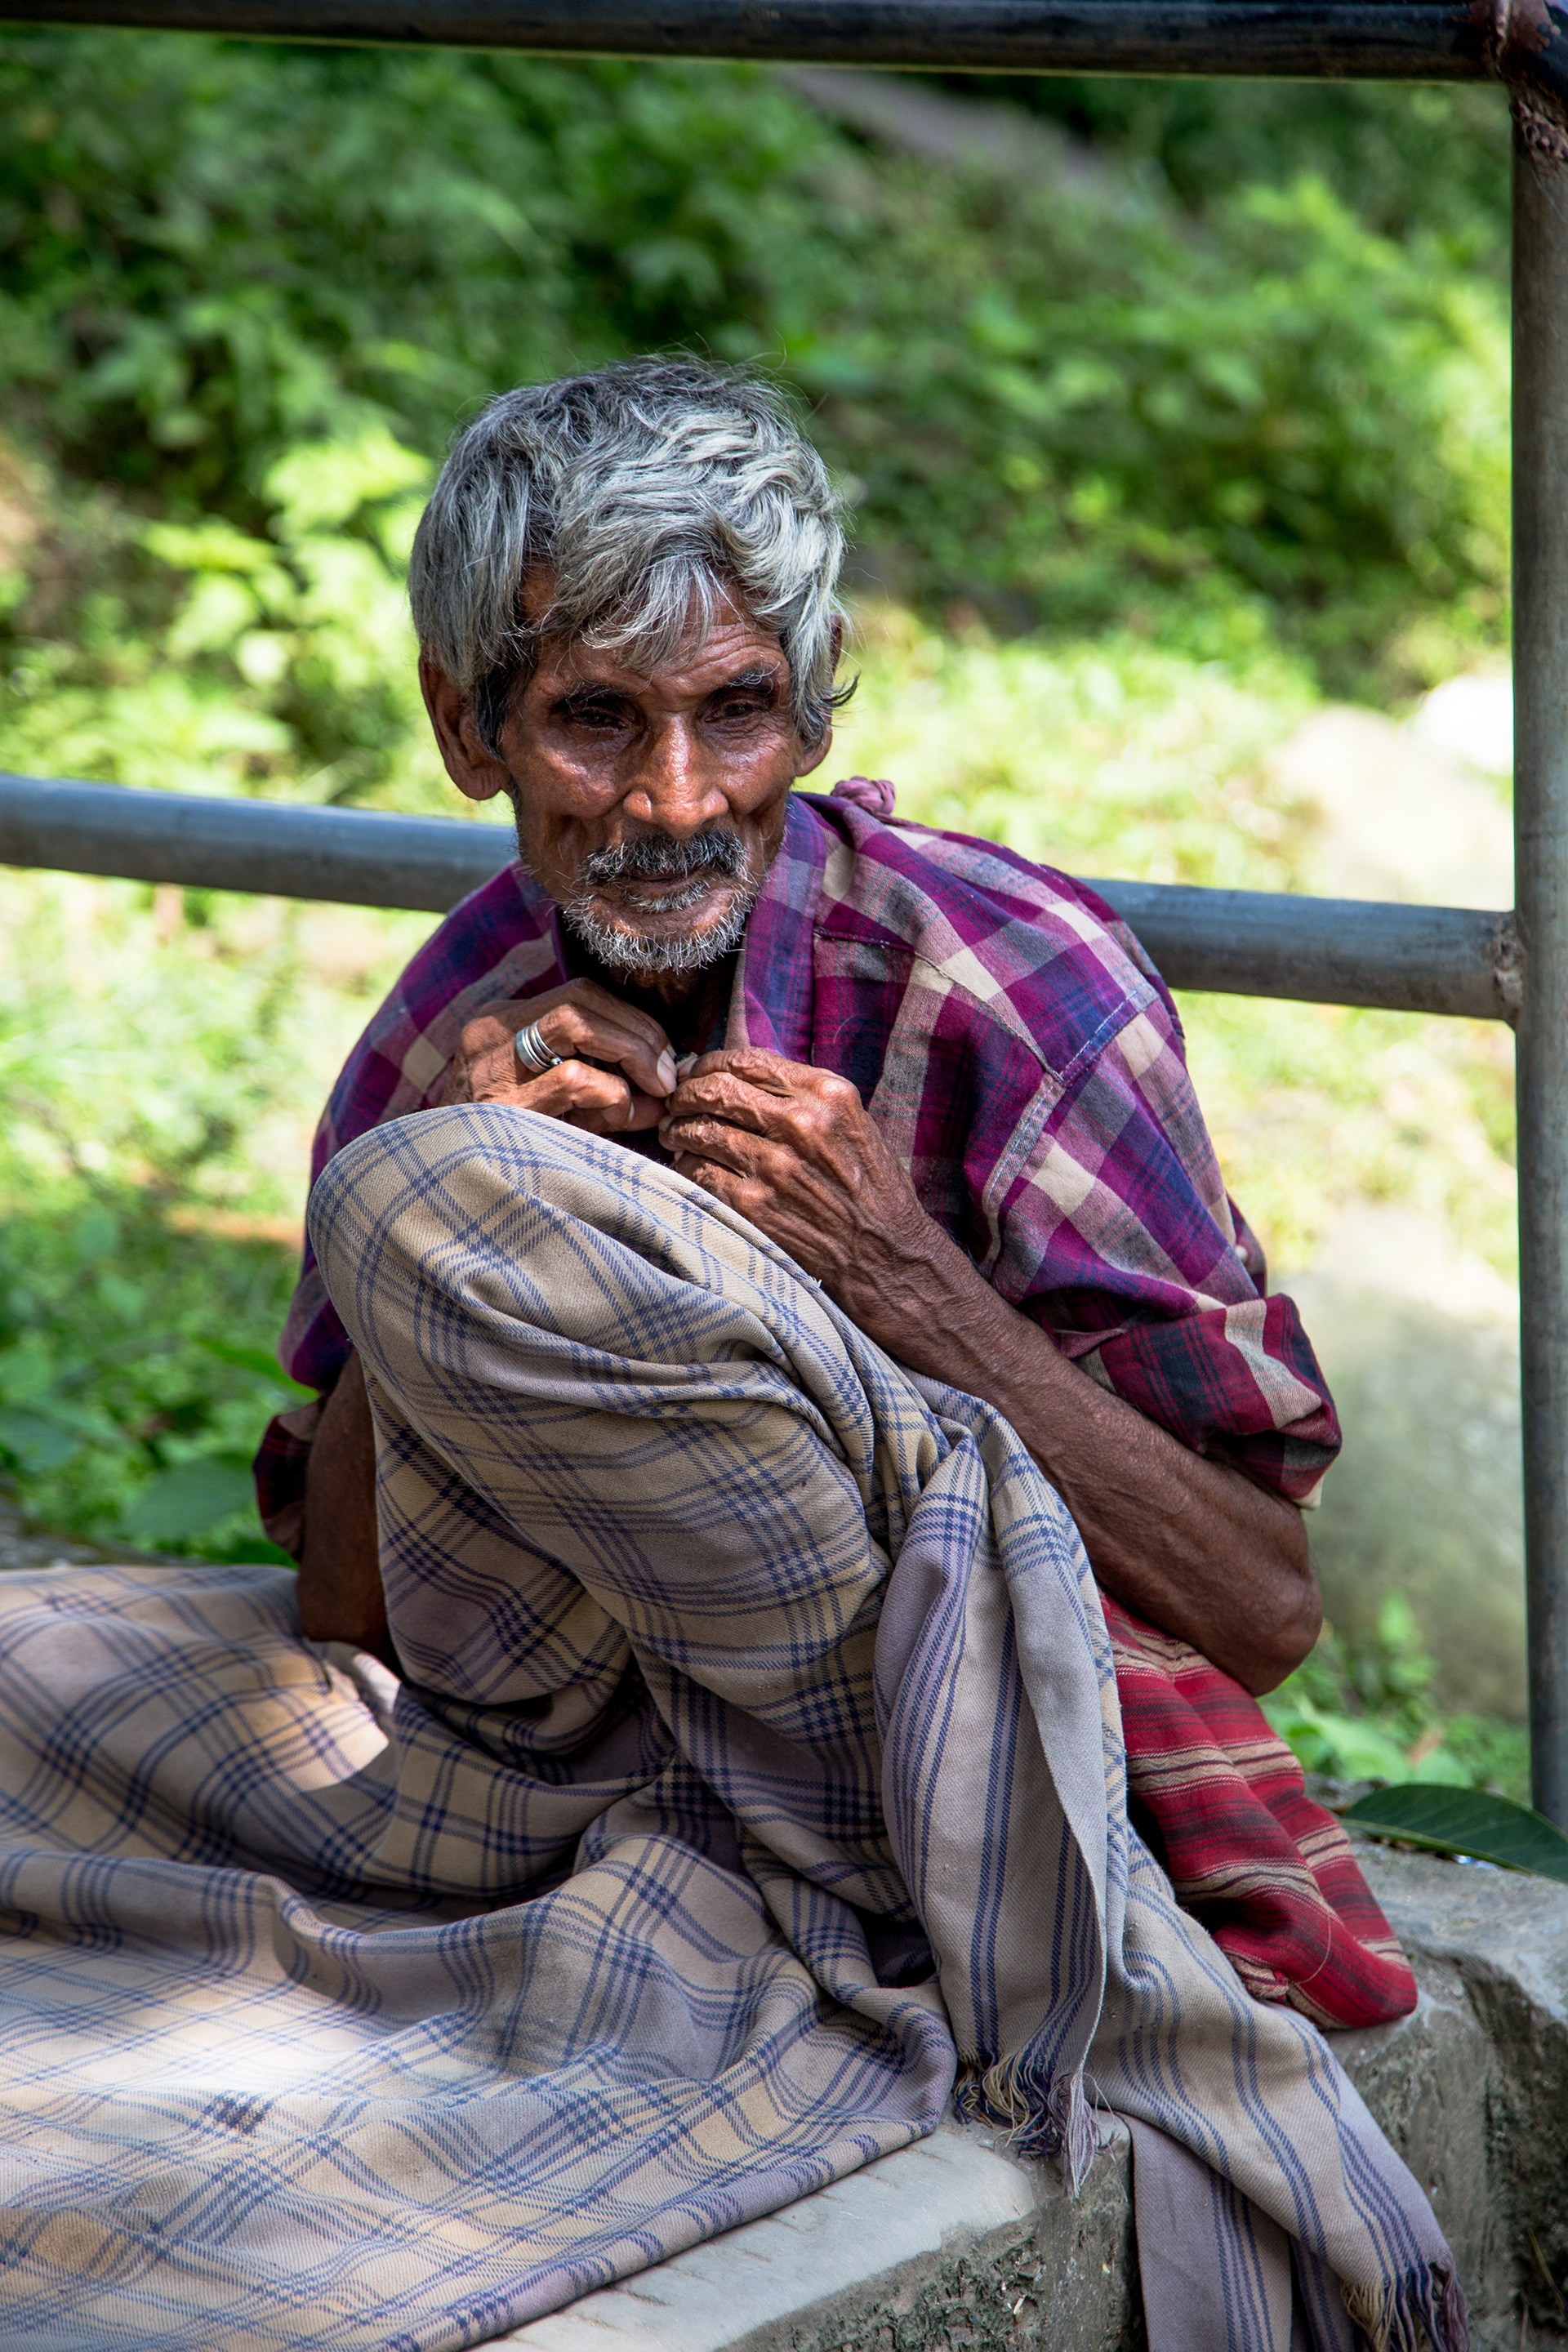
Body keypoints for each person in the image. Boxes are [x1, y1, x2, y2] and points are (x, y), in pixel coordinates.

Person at [0, 360, 1464, 2352]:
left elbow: (1264, 1606)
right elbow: (342, 1605)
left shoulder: (1008, 986)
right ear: (469, 727)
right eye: (596, 720)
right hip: (550, 1775)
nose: (676, 801)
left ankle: (748, 1921)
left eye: (736, 714)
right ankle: (618, 1922)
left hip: (934, 1790)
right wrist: (462, 1174)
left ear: (814, 713)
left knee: (435, 1213)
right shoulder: (459, 1017)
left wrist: (905, 1285)